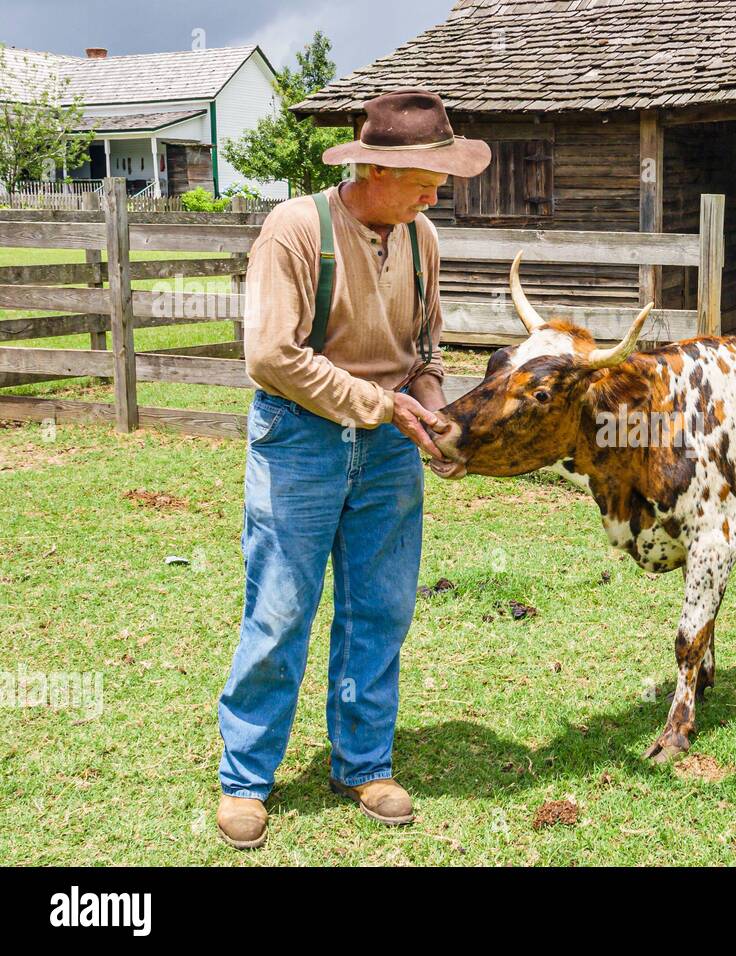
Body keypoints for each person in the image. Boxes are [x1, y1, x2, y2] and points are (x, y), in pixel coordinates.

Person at [214, 89, 490, 849]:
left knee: (380, 607)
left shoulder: (421, 235)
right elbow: (271, 356)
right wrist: (377, 402)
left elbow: (425, 346)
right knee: (279, 610)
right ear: (371, 165)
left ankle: (363, 762)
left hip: (389, 446)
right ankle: (246, 777)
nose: (436, 191)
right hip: (301, 438)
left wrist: (430, 405)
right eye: (422, 175)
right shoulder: (296, 231)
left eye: (440, 175)